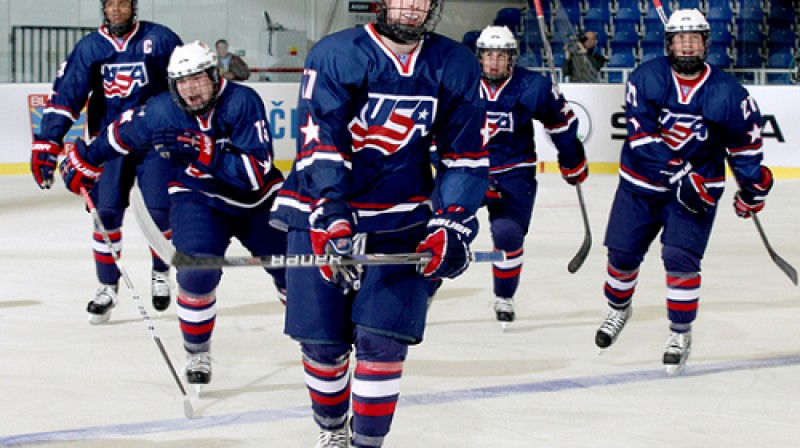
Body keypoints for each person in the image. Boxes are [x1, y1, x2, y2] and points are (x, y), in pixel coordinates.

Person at [269, 0, 488, 446]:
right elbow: (321, 143)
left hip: (401, 219)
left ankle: (367, 443)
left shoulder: (455, 63)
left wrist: (452, 223)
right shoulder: (335, 53)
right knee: (323, 346)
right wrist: (330, 215)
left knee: (383, 341)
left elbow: (464, 155)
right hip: (320, 207)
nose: (412, 6)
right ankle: (332, 431)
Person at [58, 41, 288, 388]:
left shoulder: (243, 101)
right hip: (198, 200)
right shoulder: (163, 110)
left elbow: (254, 173)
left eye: (197, 79)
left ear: (214, 76)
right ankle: (197, 351)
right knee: (196, 275)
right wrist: (87, 159)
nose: (190, 90)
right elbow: (121, 133)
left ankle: (314, 337)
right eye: (181, 82)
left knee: (293, 271)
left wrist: (204, 150)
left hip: (256, 201)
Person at [594, 9, 774, 375]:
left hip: (698, 191)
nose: (687, 45)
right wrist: (678, 173)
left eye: (694, 38)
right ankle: (618, 307)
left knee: (680, 259)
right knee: (622, 256)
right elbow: (641, 138)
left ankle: (680, 332)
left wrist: (752, 188)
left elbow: (745, 147)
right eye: (680, 38)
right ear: (669, 43)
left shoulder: (729, 93)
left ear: (706, 43)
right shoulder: (645, 78)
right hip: (640, 187)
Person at [30, 0, 183, 323]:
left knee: (159, 210)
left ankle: (160, 273)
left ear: (133, 5)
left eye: (122, 3)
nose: (116, 9)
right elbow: (67, 96)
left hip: (153, 141)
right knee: (107, 213)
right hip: (109, 142)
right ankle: (107, 286)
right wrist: (48, 142)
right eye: (110, 3)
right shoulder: (90, 48)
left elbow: (184, 87)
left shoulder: (162, 39)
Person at [475, 25, 588, 325]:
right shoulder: (463, 82)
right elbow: (439, 127)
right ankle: (426, 288)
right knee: (435, 226)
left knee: (508, 234)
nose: (495, 62)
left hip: (514, 170)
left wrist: (572, 158)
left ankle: (504, 296)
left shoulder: (532, 86)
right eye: (489, 55)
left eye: (501, 55)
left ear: (512, 58)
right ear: (480, 57)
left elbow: (560, 124)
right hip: (470, 168)